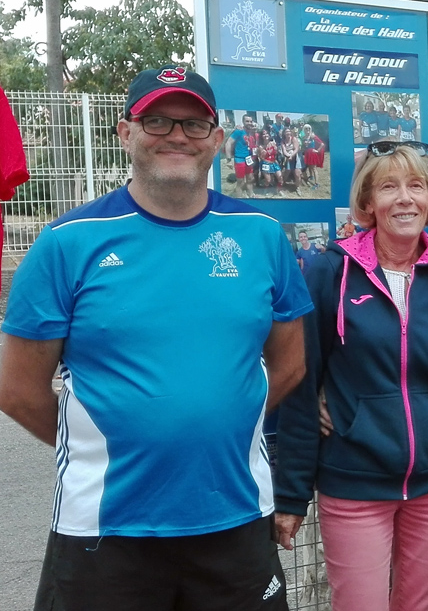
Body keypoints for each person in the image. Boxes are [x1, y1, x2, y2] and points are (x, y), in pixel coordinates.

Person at [0, 65, 311, 610]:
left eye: (194, 125)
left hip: (235, 517)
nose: (177, 136)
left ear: (217, 139)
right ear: (126, 132)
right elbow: (17, 389)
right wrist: (115, 443)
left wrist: (215, 432)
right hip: (104, 525)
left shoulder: (261, 235)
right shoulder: (66, 244)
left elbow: (289, 366)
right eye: (158, 120)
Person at [273, 140, 428, 611]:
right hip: (355, 482)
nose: (404, 198)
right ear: (368, 202)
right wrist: (290, 494)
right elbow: (299, 382)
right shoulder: (331, 271)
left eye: (416, 186)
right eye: (389, 187)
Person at [225, 113, 257, 197]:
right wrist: (228, 159)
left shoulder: (250, 132)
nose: (249, 123)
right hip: (239, 160)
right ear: (243, 122)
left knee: (250, 179)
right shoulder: (238, 131)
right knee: (240, 182)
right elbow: (228, 143)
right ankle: (239, 198)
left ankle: (251, 195)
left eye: (250, 121)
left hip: (248, 160)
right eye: (247, 121)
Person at [258, 128, 282, 194]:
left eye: (267, 133)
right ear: (261, 136)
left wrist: (276, 149)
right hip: (266, 163)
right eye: (263, 134)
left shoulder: (272, 143)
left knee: (280, 177)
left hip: (274, 162)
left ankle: (278, 191)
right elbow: (262, 157)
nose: (266, 135)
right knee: (268, 180)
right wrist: (268, 150)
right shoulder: (261, 146)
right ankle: (265, 190)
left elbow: (276, 153)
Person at [302, 123, 325, 188]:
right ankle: (311, 176)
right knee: (309, 166)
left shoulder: (313, 136)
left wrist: (317, 150)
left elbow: (322, 144)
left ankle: (316, 184)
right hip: (307, 154)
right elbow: (304, 147)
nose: (307, 130)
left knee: (314, 168)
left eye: (309, 128)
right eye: (306, 128)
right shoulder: (304, 137)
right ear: (304, 129)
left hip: (312, 153)